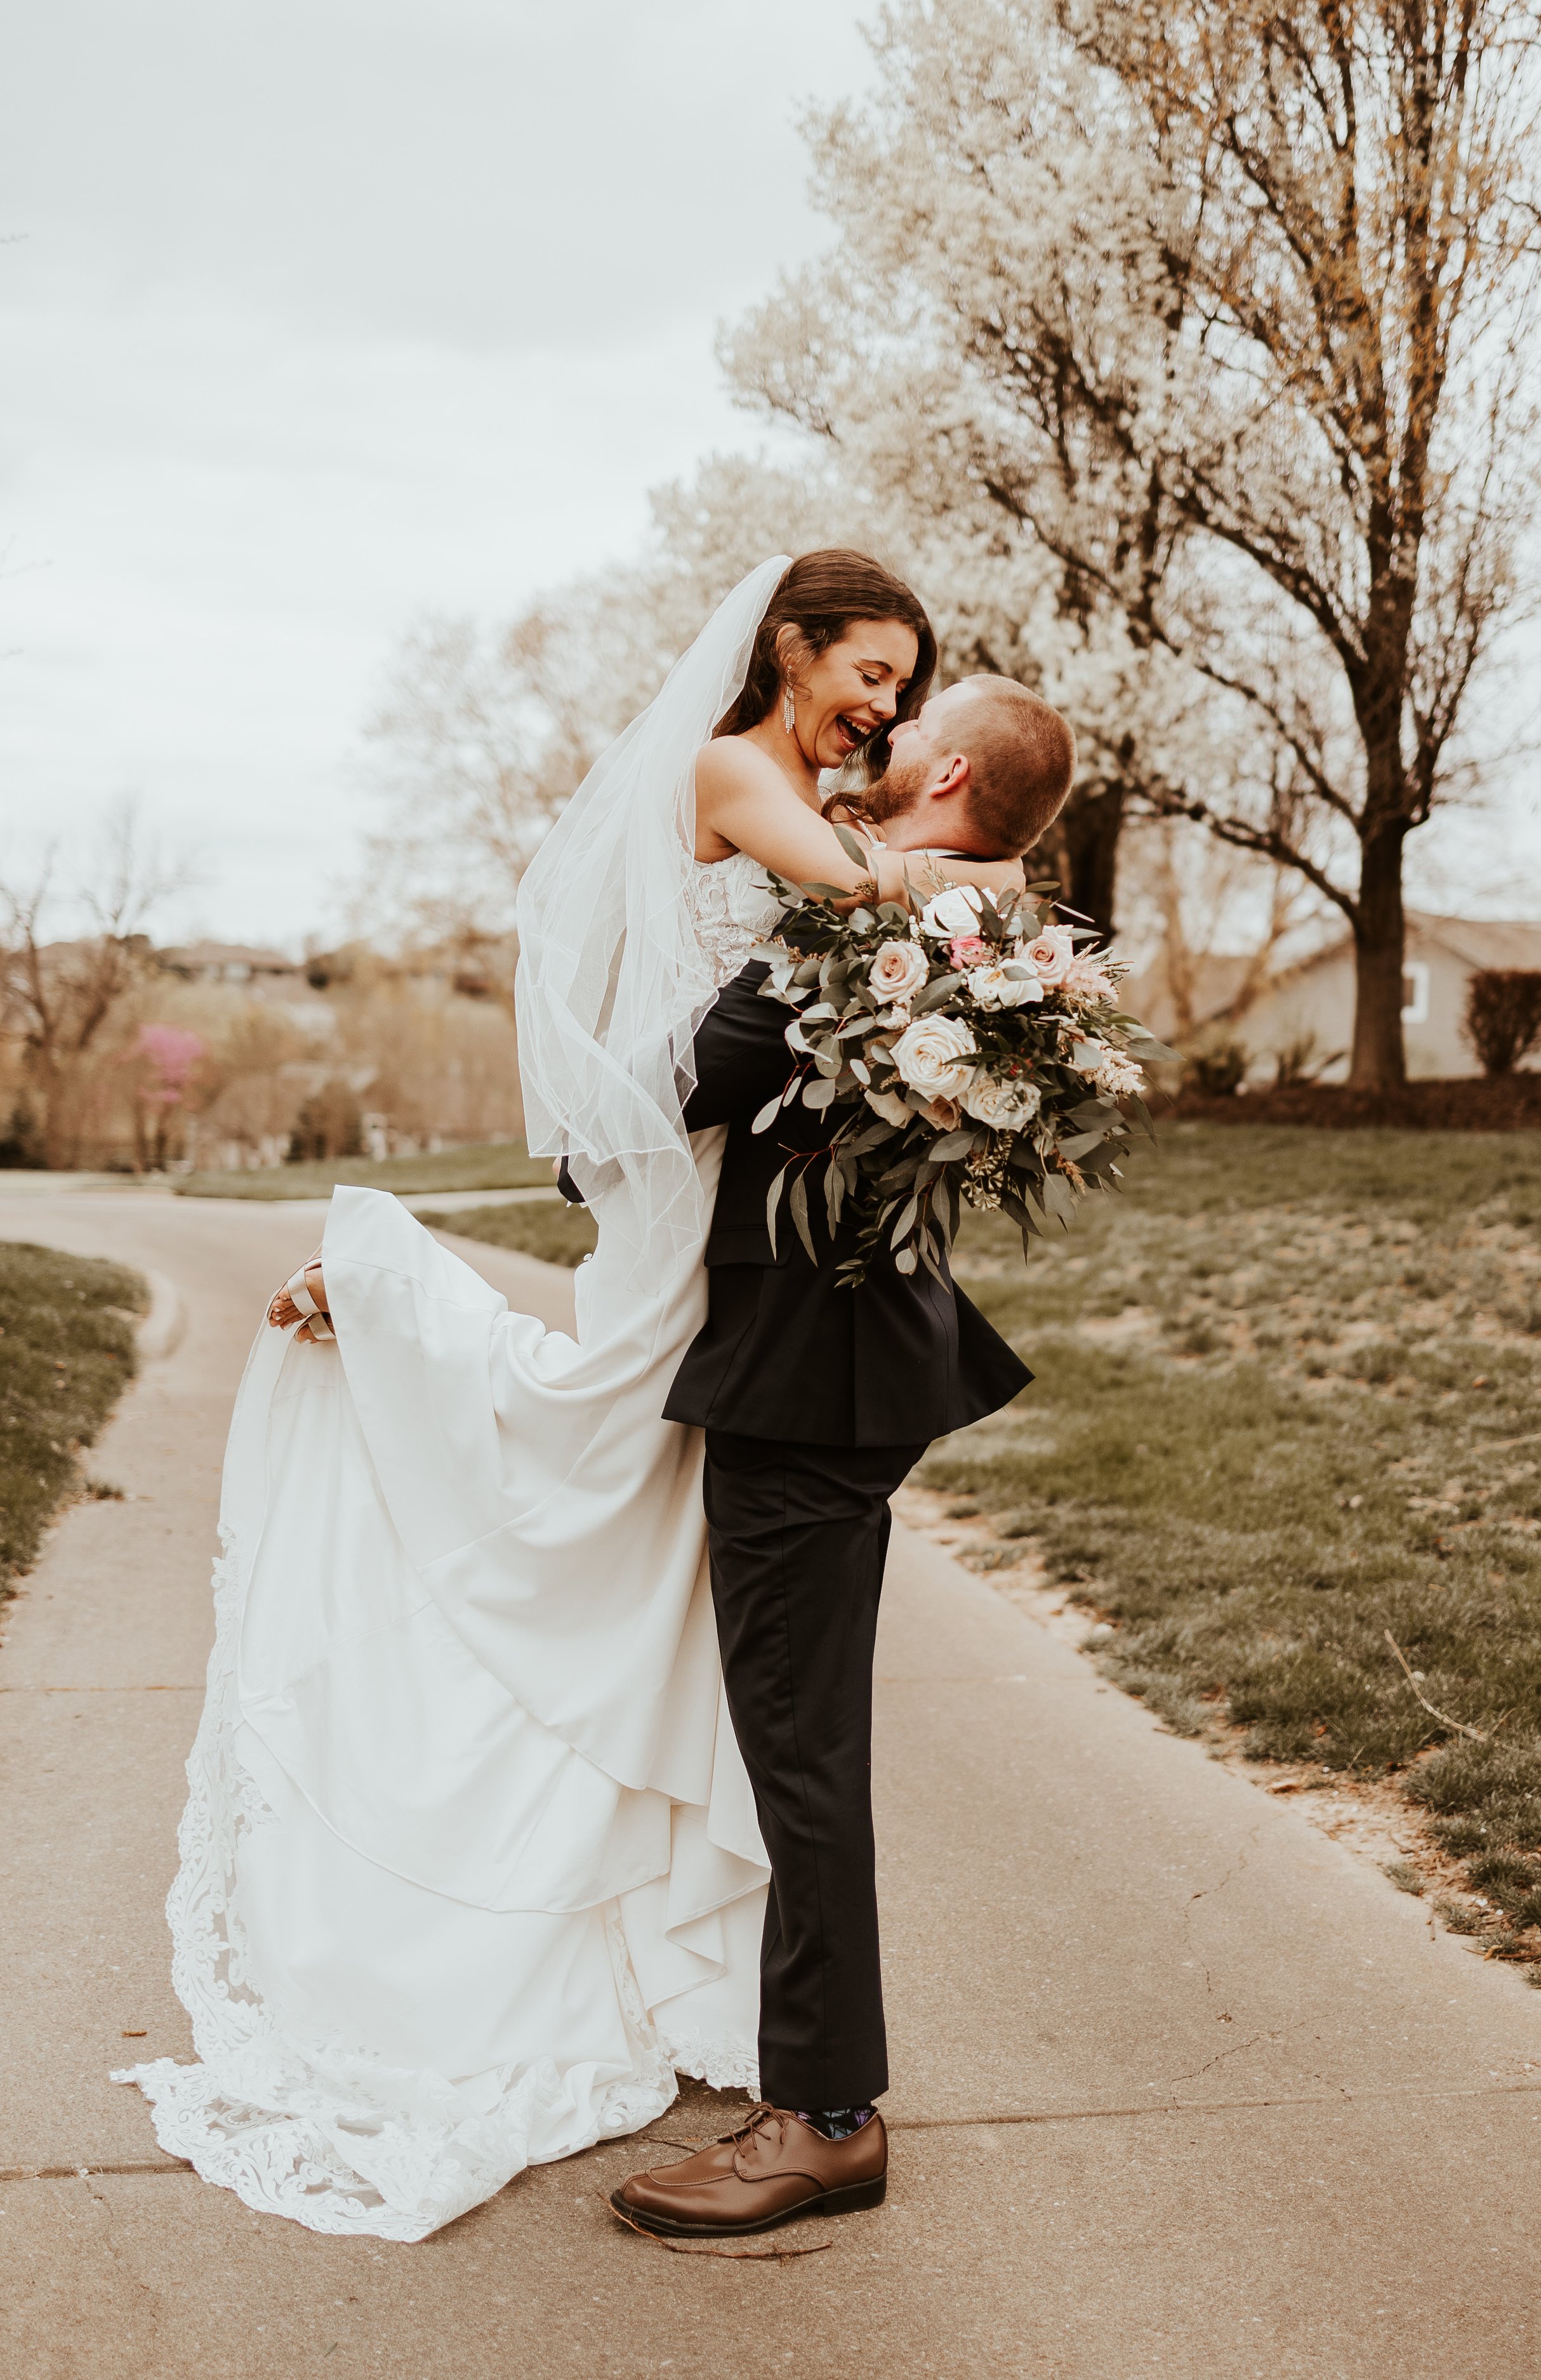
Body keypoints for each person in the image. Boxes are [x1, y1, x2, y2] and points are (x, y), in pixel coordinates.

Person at [116, 552, 1033, 2244]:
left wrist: (961, 927)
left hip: (791, 1322)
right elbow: (796, 990)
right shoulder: (749, 781)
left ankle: (823, 2101)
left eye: (910, 690)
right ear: (786, 644)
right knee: (610, 1500)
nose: (885, 708)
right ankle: (377, 1300)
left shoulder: (880, 858)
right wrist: (953, 916)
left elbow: (775, 1023)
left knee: (667, 1575)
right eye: (871, 670)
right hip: (745, 1297)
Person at [606, 673, 1077, 2240]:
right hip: (846, 1367)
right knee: (794, 1732)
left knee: (799, 1744)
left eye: (903, 721)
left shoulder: (873, 922)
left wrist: (576, 1128)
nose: (873, 737)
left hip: (806, 1382)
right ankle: (804, 2071)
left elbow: (684, 1088)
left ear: (943, 768)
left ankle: (825, 2114)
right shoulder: (983, 919)